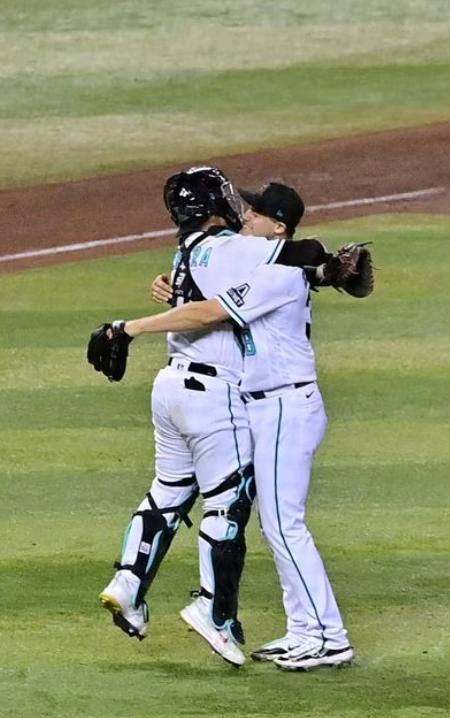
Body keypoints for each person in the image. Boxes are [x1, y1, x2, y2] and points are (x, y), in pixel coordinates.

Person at [95, 167, 331, 668]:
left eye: (256, 211)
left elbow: (215, 295)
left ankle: (129, 582)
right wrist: (325, 268)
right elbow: (299, 255)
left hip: (170, 388)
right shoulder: (230, 248)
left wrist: (160, 302)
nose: (245, 213)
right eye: (241, 205)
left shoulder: (190, 251)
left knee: (170, 490)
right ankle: (216, 612)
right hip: (215, 393)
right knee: (229, 503)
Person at [148, 182, 355, 671]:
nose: (245, 217)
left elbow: (212, 310)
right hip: (269, 406)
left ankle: (331, 639)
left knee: (285, 526)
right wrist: (170, 284)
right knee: (278, 526)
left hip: (286, 404)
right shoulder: (268, 264)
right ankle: (306, 630)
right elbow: (209, 290)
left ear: (277, 227)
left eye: (256, 212)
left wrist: (131, 327)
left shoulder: (278, 270)